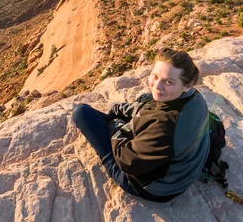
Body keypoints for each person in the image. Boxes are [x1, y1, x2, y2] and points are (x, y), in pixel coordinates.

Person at [72, 48, 210, 203]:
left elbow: (126, 161)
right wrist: (119, 111)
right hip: (176, 168)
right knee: (145, 98)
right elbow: (150, 109)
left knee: (81, 113)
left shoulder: (166, 126)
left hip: (156, 187)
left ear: (188, 84)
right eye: (155, 76)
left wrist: (115, 124)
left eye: (169, 82)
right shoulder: (195, 97)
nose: (157, 85)